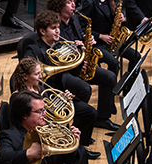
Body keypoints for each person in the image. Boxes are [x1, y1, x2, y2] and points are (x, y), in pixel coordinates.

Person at [46, 0, 120, 132]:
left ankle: (102, 118)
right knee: (84, 89)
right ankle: (78, 128)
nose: (74, 5)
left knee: (110, 77)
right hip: (65, 70)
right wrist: (77, 52)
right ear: (59, 6)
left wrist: (87, 40)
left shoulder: (74, 19)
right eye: (69, 2)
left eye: (74, 1)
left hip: (81, 65)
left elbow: (80, 37)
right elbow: (55, 54)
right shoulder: (53, 26)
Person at [12, 56, 99, 157]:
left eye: (40, 72)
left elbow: (49, 111)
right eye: (36, 74)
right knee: (73, 146)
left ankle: (80, 148)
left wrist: (62, 100)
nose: (41, 76)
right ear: (25, 76)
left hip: (46, 124)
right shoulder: (17, 98)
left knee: (88, 115)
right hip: (36, 134)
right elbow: (23, 123)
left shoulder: (39, 88)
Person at [79, 0, 141, 75]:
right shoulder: (89, 3)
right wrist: (100, 36)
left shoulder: (111, 2)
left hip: (112, 41)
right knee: (114, 63)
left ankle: (130, 84)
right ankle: (110, 85)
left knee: (136, 56)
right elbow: (81, 28)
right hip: (97, 43)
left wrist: (121, 19)